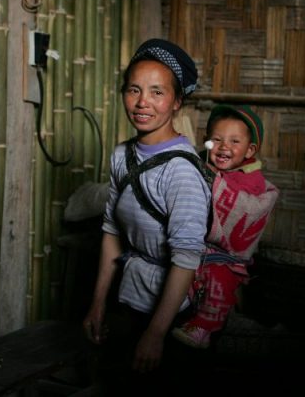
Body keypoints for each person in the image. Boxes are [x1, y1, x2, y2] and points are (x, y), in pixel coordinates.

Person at [82, 38, 212, 394]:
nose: (143, 103)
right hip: (126, 300)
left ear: (176, 102)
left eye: (157, 92)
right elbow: (111, 230)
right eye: (134, 90)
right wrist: (97, 304)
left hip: (168, 318)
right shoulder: (121, 155)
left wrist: (156, 335)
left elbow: (185, 259)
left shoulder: (182, 172)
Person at [171, 104, 279, 349]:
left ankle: (205, 327)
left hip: (226, 257)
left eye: (234, 141)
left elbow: (244, 205)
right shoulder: (200, 164)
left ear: (250, 150)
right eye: (217, 139)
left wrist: (214, 181)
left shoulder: (252, 178)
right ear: (207, 141)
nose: (224, 147)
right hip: (195, 248)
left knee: (220, 281)